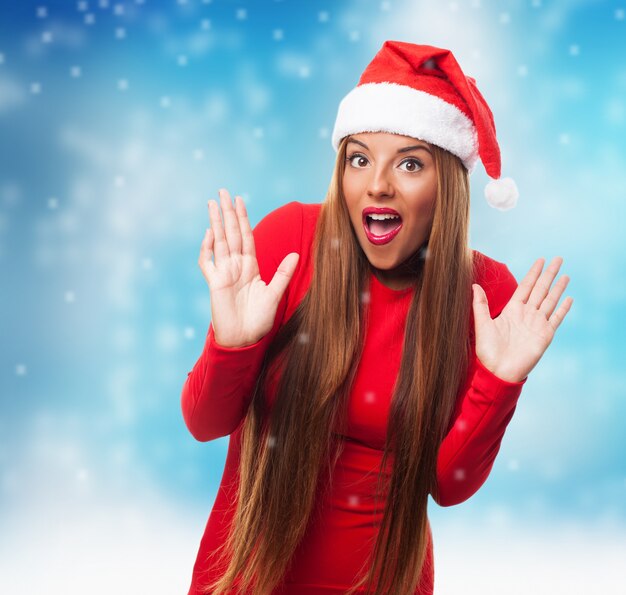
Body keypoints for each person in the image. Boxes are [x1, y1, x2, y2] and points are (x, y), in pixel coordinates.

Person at [181, 41, 573, 595]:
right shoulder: (289, 240)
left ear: (449, 186)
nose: (377, 184)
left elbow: (448, 485)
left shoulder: (485, 294)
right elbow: (205, 422)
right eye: (359, 158)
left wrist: (499, 383)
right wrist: (233, 344)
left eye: (410, 163)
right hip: (249, 579)